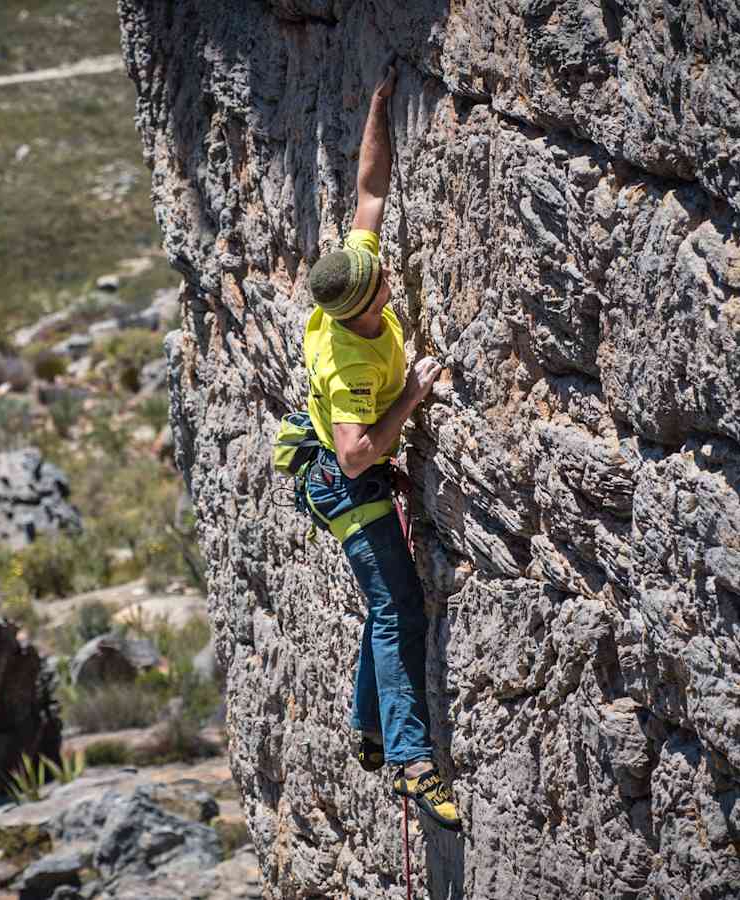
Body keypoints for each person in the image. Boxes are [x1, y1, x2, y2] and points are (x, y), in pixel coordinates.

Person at [301, 63, 460, 832]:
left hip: (340, 471)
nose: (388, 267)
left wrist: (376, 105)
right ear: (367, 303)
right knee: (399, 610)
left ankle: (370, 728)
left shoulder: (350, 282)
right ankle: (408, 762)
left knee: (385, 606)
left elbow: (369, 192)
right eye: (383, 276)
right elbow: (358, 453)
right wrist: (413, 394)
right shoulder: (354, 363)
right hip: (343, 481)